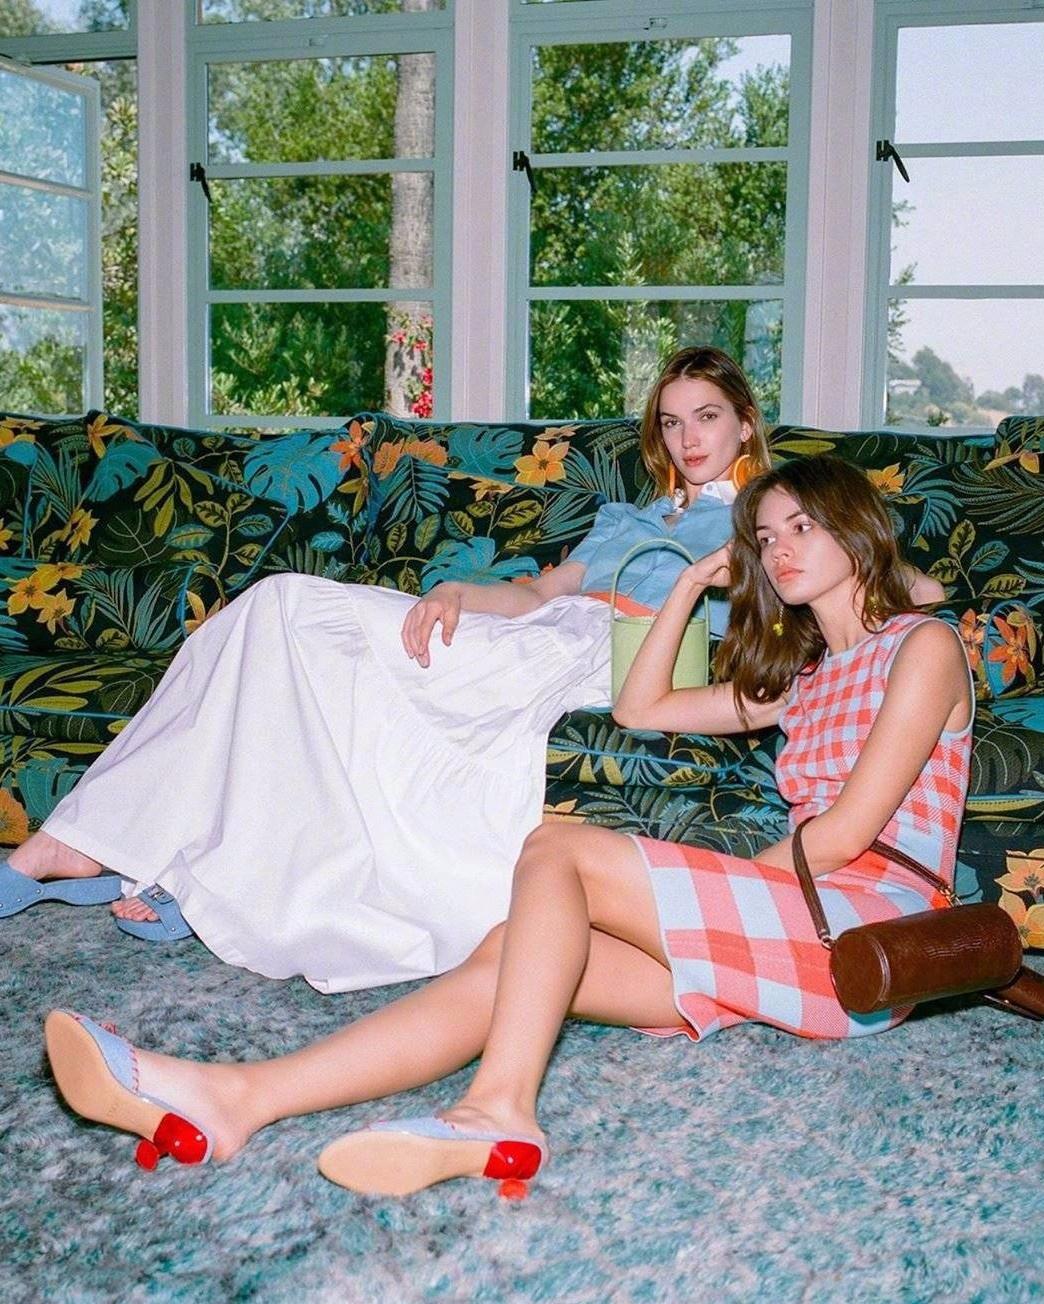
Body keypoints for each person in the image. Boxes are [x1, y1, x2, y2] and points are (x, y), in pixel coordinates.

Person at [43, 453, 989, 1195]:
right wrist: (689, 584)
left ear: (856, 530)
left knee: (558, 851)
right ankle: (237, 1098)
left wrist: (709, 908)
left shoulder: (925, 647)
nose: (778, 548)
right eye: (764, 534)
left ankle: (500, 1107)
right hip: (795, 932)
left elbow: (843, 835)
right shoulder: (806, 680)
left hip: (861, 933)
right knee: (515, 950)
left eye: (803, 527)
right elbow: (642, 708)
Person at [1, 349, 939, 991]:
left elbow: (909, 586)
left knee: (307, 642)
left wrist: (784, 564)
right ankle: (139, 850)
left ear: (744, 424)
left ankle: (145, 863)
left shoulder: (771, 525)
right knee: (277, 611)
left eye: (708, 417)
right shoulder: (626, 517)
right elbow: (538, 592)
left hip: (601, 658)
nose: (690, 437)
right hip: (536, 632)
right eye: (673, 421)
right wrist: (457, 594)